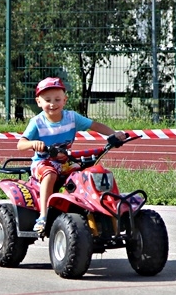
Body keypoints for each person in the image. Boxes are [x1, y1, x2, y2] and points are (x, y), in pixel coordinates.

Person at [17, 77, 128, 235]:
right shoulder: (37, 122)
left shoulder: (72, 118)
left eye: (57, 99)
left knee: (84, 175)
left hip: (65, 162)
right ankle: (43, 216)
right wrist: (33, 143)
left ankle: (92, 209)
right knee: (50, 175)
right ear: (38, 102)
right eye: (47, 100)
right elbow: (20, 144)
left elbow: (94, 125)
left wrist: (113, 134)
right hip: (43, 163)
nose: (52, 104)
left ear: (64, 100)